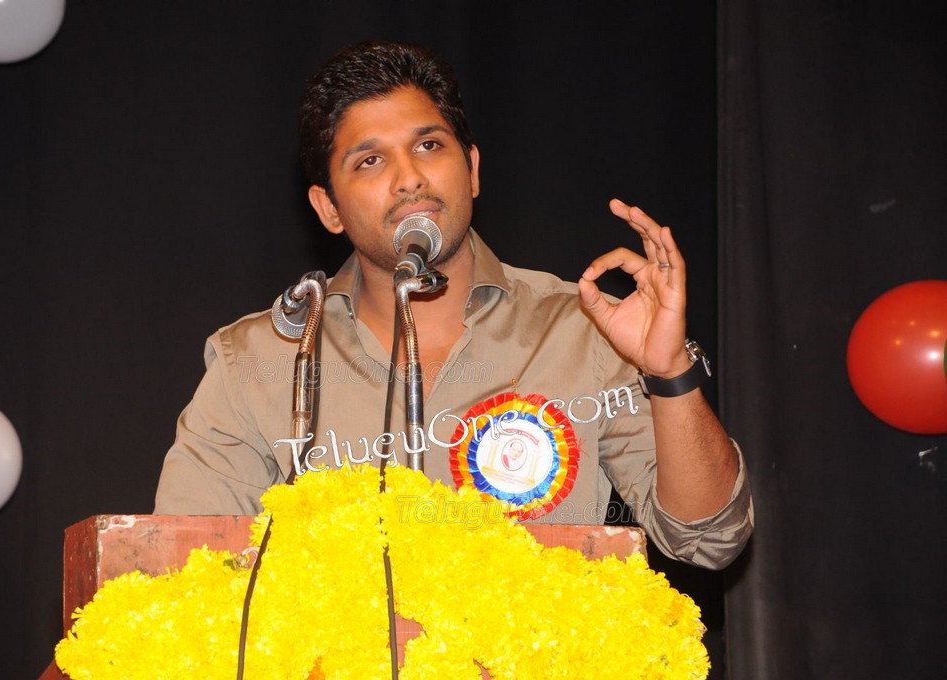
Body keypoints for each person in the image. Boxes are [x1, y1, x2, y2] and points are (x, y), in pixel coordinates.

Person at [155, 41, 753, 570]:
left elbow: (709, 539)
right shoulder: (260, 360)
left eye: (429, 145)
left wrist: (669, 373)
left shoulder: (583, 328)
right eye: (370, 160)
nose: (409, 177)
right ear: (328, 208)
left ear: (471, 170)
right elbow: (181, 574)